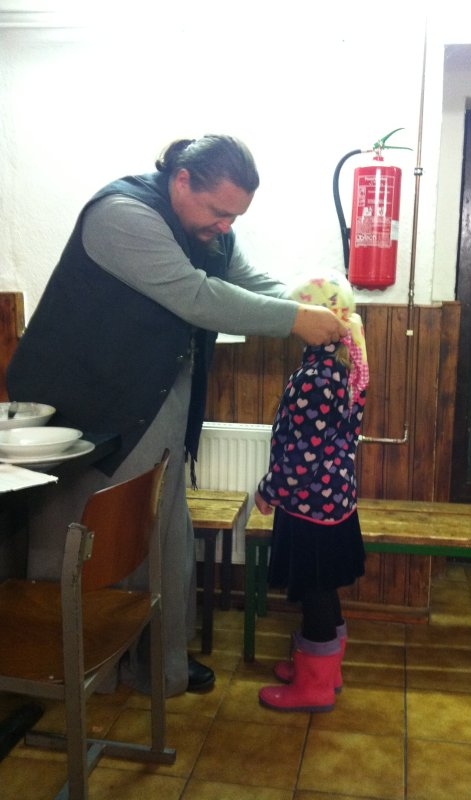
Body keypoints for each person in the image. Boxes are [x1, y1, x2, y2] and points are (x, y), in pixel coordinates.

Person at [6, 135, 347, 697]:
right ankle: (85, 670)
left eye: (235, 217)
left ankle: (158, 663)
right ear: (181, 180)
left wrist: (318, 304)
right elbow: (198, 296)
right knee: (91, 535)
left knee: (160, 529)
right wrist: (294, 321)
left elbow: (248, 284)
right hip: (87, 405)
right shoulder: (120, 215)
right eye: (219, 212)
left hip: (157, 394)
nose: (225, 226)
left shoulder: (211, 232)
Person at [254, 271, 368, 713]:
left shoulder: (315, 377)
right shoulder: (341, 366)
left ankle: (314, 687)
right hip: (333, 501)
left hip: (310, 505)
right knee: (324, 588)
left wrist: (269, 490)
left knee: (316, 592)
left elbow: (303, 454)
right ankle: (324, 670)